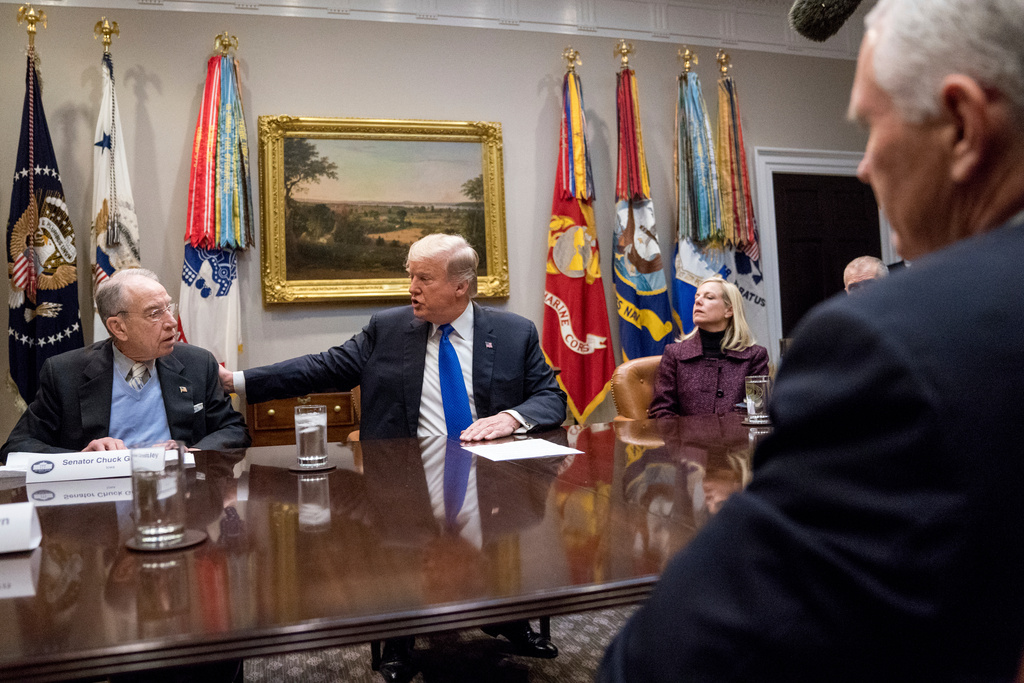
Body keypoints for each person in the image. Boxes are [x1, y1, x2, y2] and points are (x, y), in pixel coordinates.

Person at [600, 0, 1024, 680]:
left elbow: (671, 656)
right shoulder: (677, 355)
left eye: (871, 127)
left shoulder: (890, 344)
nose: (863, 167)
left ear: (963, 125)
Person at [221, 233, 566, 683]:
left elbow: (550, 397)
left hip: (488, 473)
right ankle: (400, 636)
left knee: (504, 532)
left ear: (461, 286)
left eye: (423, 278)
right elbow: (323, 366)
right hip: (405, 476)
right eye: (410, 276)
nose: (411, 288)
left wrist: (510, 416)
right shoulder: (388, 328)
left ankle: (507, 617)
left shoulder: (514, 332)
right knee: (403, 545)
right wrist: (240, 381)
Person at [1, 269, 249, 460]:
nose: (171, 322)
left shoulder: (197, 363)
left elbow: (234, 430)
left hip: (178, 497)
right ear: (118, 328)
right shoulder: (65, 373)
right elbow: (17, 446)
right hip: (99, 505)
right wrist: (81, 458)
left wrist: (190, 453)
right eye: (154, 313)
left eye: (168, 308)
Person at [647, 276, 768, 418]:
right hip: (688, 440)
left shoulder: (754, 356)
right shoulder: (674, 354)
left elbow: (758, 413)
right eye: (696, 297)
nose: (698, 301)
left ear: (729, 311)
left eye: (709, 297)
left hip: (739, 439)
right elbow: (661, 412)